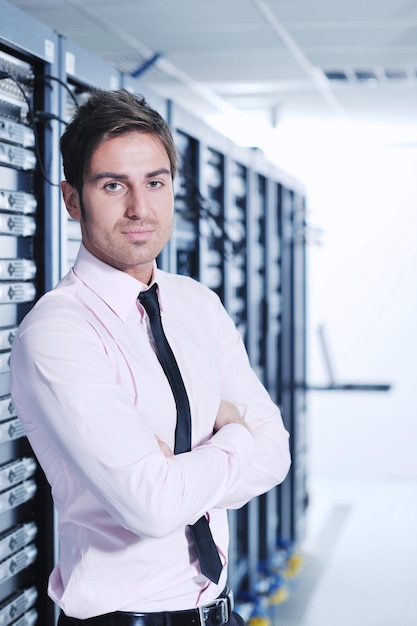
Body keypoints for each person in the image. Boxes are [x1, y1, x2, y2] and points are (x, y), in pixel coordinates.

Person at [10, 89, 291, 626]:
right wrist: (232, 435)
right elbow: (152, 507)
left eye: (155, 182)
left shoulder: (197, 305)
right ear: (72, 200)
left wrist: (181, 466)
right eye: (113, 185)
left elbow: (275, 453)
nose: (139, 208)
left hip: (217, 613)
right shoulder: (58, 332)